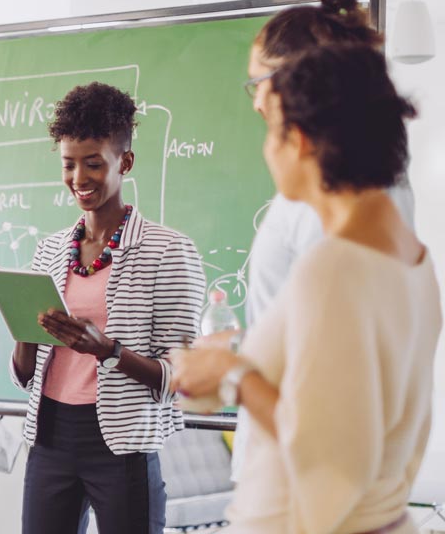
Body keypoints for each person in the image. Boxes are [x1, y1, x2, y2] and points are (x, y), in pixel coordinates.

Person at [172, 44, 439, 534]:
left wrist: (233, 377)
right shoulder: (412, 258)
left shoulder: (334, 267)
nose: (265, 149)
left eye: (271, 132)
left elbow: (331, 454)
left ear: (300, 140)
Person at [221, 0, 417, 482]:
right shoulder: (365, 184)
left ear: (295, 82)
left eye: (257, 83)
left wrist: (229, 377)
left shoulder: (335, 203)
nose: (256, 104)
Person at [0, 82, 205, 534]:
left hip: (121, 444)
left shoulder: (168, 251)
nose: (78, 178)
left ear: (124, 162)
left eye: (93, 163)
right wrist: (19, 317)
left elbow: (182, 375)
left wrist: (107, 350)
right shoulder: (50, 250)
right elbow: (25, 374)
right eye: (68, 164)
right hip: (50, 436)